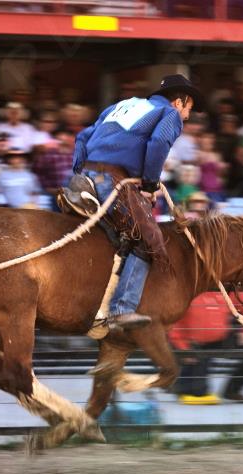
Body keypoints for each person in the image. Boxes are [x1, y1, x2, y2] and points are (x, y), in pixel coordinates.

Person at [71, 74, 205, 331]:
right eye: (189, 109)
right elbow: (158, 142)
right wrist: (150, 184)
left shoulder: (120, 106)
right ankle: (122, 309)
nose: (187, 117)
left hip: (86, 176)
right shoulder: (170, 114)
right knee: (150, 238)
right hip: (112, 180)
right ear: (180, 101)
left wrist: (80, 172)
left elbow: (82, 137)